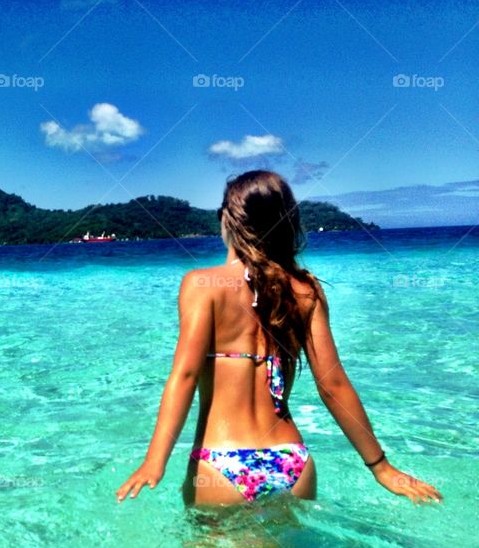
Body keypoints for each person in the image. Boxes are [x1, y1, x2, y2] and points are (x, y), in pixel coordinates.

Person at [115, 170, 442, 506]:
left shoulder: (202, 285)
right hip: (292, 464)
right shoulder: (305, 290)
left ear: (226, 220)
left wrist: (155, 461)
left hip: (220, 465)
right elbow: (333, 386)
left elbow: (184, 376)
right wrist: (381, 467)